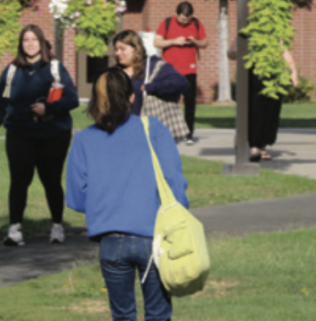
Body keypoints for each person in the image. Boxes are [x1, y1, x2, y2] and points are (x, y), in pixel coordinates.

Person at [65, 68, 189, 321]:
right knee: (158, 314)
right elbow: (173, 180)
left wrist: (107, 202)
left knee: (122, 316)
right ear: (132, 98)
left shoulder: (83, 140)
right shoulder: (152, 128)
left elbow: (76, 198)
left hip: (110, 238)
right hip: (153, 234)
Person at [0, 24, 79, 246]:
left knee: (51, 181)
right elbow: (0, 102)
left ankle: (57, 227)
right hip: (20, 133)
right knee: (19, 181)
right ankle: (14, 230)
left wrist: (48, 108)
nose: (30, 44)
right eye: (26, 40)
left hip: (53, 134)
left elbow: (72, 99)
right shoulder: (11, 70)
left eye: (34, 40)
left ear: (42, 43)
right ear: (21, 44)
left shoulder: (55, 68)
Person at [154, 1, 208, 145]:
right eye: (183, 19)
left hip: (190, 70)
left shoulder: (196, 23)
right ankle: (171, 133)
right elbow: (157, 42)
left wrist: (194, 41)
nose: (185, 22)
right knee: (170, 102)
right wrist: (174, 41)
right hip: (170, 70)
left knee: (190, 102)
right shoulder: (166, 22)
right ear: (177, 14)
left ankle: (189, 133)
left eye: (188, 19)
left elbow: (205, 43)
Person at [112, 30, 188, 120]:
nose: (117, 53)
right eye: (116, 49)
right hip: (119, 127)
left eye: (122, 49)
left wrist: (153, 87)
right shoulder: (113, 71)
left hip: (147, 128)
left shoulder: (153, 66)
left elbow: (181, 83)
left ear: (136, 48)